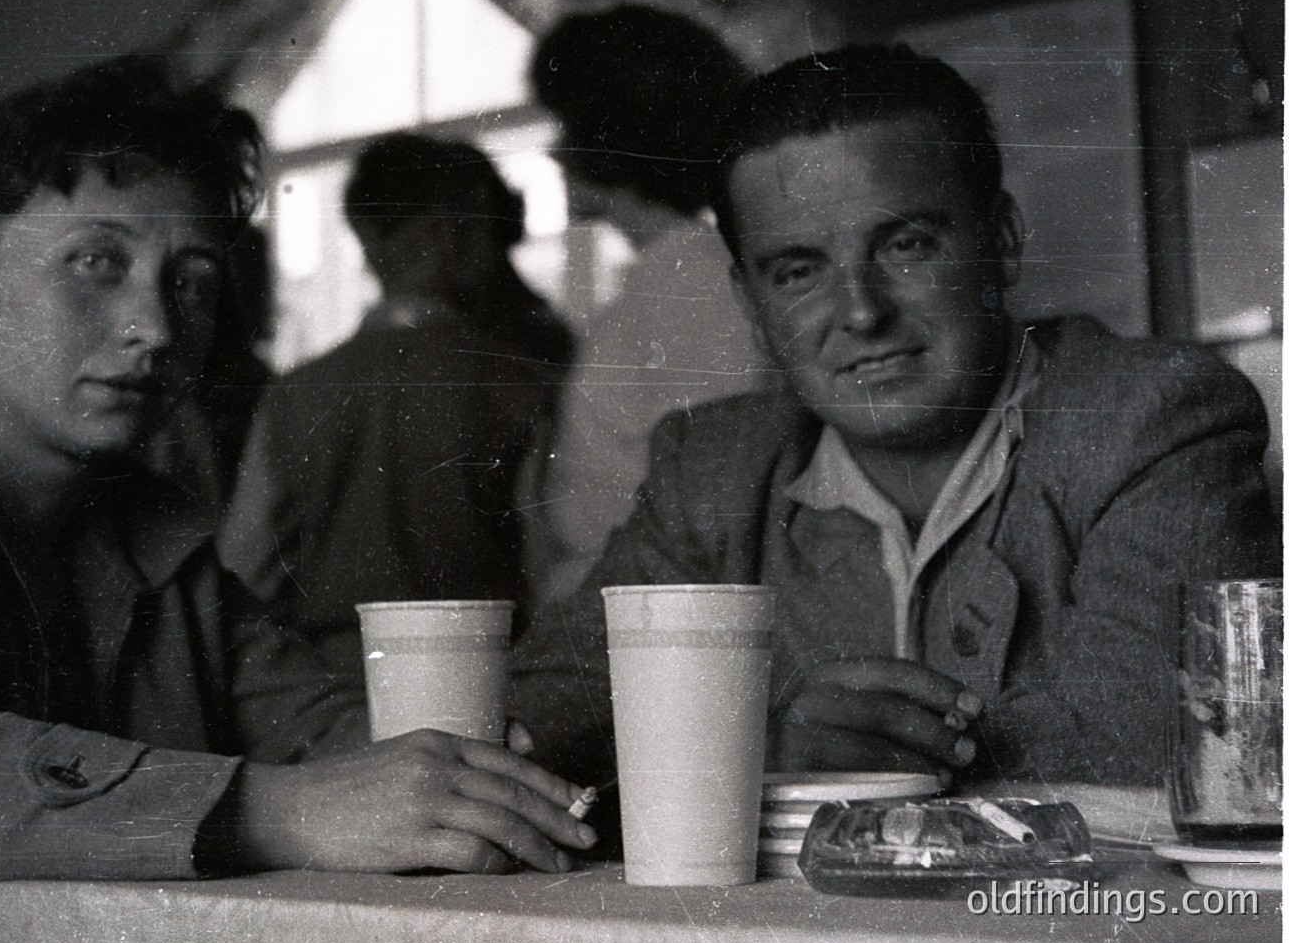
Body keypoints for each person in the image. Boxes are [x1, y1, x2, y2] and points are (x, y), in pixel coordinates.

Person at [0, 63, 596, 943]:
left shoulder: (148, 525)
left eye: (192, 280)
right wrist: (267, 810)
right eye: (96, 262)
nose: (155, 326)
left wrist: (461, 772)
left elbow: (314, 729)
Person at [511, 42, 1279, 790]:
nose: (861, 312)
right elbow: (535, 717)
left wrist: (768, 763)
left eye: (907, 245)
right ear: (750, 302)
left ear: (1002, 241)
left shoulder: (1153, 419)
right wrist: (770, 746)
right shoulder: (713, 469)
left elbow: (1157, 742)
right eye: (798, 271)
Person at [217, 133, 571, 684]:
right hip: (482, 676)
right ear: (451, 231)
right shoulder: (523, 384)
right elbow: (550, 569)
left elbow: (246, 570)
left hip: (332, 688)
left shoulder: (297, 393)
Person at [525, 4, 776, 604]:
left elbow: (717, 507)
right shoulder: (667, 277)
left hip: (651, 614)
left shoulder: (694, 286)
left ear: (611, 135)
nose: (553, 153)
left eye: (564, 128)